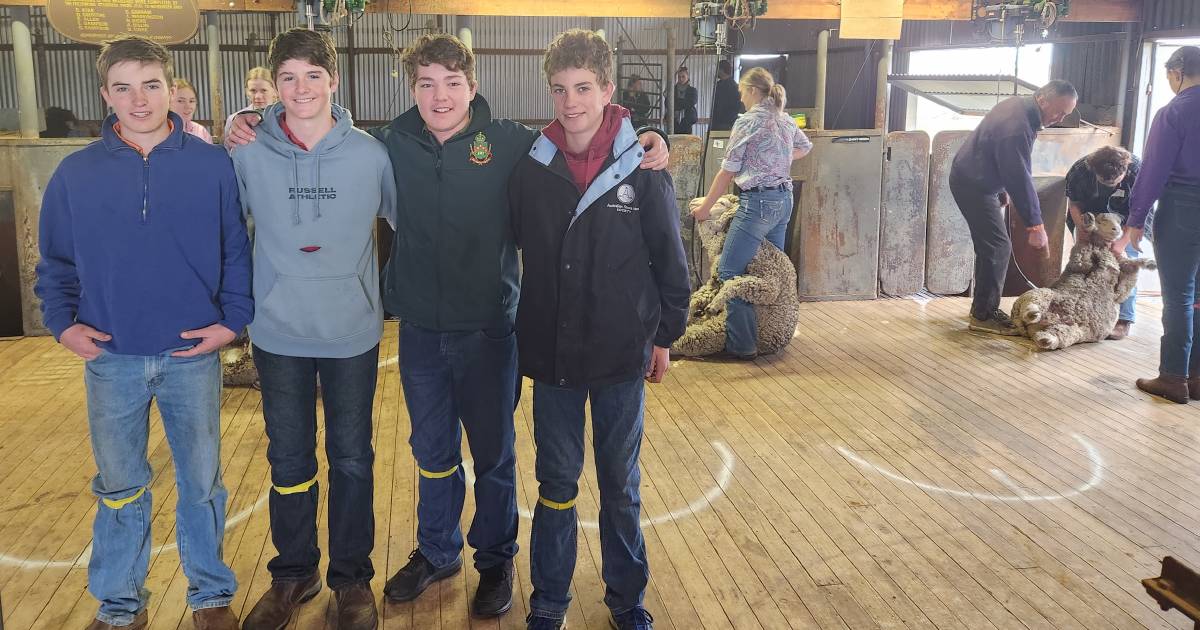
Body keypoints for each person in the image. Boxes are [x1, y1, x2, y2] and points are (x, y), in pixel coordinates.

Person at [225, 32, 669, 618]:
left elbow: (582, 142)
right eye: (427, 84)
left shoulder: (513, 144)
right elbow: (320, 133)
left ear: (472, 87)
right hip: (421, 330)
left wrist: (642, 139)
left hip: (490, 328)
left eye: (452, 83)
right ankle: (438, 550)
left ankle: (494, 560)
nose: (440, 97)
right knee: (431, 450)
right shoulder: (391, 144)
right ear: (412, 91)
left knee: (493, 456)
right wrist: (246, 117)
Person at [34, 35, 251, 630]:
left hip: (190, 354)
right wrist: (62, 326)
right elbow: (54, 261)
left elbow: (236, 249)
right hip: (112, 357)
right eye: (123, 87)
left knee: (202, 481)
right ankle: (121, 603)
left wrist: (231, 322)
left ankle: (209, 596)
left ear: (170, 88)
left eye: (150, 85)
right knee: (121, 484)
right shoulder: (76, 173)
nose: (139, 99)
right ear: (105, 95)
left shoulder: (211, 165)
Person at [509, 29, 690, 630]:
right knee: (556, 482)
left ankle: (625, 597)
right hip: (554, 358)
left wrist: (664, 335)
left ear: (607, 89)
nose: (571, 102)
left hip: (620, 356)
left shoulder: (644, 165)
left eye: (583, 87)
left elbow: (671, 258)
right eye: (560, 89)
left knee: (620, 483)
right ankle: (550, 599)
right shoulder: (532, 165)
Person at [229, 29, 395, 630]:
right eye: (288, 78)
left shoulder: (372, 156)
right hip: (277, 332)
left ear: (334, 81)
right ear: (274, 85)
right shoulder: (246, 154)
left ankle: (352, 582)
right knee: (289, 459)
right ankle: (293, 573)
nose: (301, 89)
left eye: (312, 76)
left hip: (351, 332)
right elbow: (225, 232)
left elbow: (416, 222)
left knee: (352, 458)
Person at [690, 67, 812, 359]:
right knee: (769, 272)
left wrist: (706, 206)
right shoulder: (783, 118)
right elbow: (805, 147)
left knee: (730, 271)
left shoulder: (747, 122)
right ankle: (769, 335)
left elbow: (727, 171)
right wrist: (776, 160)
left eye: (743, 92)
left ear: (753, 91)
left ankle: (742, 343)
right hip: (783, 199)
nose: (741, 98)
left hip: (757, 203)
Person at [949, 79, 1078, 335]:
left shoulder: (1019, 107)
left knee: (991, 246)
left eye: (1066, 115)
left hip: (977, 178)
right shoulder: (1016, 126)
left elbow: (1005, 162)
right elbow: (1019, 174)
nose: (1059, 118)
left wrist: (1002, 189)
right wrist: (1036, 225)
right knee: (997, 246)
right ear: (1043, 100)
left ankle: (983, 308)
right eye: (1059, 111)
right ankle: (984, 314)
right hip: (974, 184)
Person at [1113, 46, 1200, 404]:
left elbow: (1153, 170)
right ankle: (1197, 377)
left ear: (1177, 72)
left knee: (1179, 295)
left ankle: (1173, 377)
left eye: (1168, 76)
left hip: (1183, 207)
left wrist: (1135, 220)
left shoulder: (1174, 112)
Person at [1064, 145, 1142, 339]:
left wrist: (1123, 241)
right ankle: (1088, 312)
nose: (1112, 185)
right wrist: (1082, 230)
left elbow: (1140, 210)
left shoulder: (1139, 171)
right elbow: (1074, 203)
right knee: (1088, 263)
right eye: (1104, 181)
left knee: (1127, 264)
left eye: (1116, 182)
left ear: (1125, 169)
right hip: (1092, 216)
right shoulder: (1079, 171)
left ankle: (1124, 318)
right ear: (1093, 170)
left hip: (1126, 218)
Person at [223, 66, 277, 134]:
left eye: (264, 90)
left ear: (275, 91)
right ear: (247, 92)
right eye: (253, 91)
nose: (258, 96)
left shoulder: (285, 118)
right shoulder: (233, 119)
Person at [171, 78, 213, 143]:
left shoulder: (201, 132)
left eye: (191, 101)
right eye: (180, 101)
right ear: (167, 102)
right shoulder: (159, 132)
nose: (188, 106)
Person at [710, 59, 744, 132]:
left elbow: (736, 106)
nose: (716, 72)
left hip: (725, 124)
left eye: (718, 69)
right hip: (721, 123)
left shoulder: (732, 87)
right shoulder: (731, 85)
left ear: (721, 70)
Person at [673, 66, 698, 134]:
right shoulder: (672, 90)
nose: (681, 79)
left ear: (687, 77)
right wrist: (684, 103)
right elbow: (667, 103)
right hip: (674, 121)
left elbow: (692, 102)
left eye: (683, 76)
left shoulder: (692, 90)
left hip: (687, 120)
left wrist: (677, 103)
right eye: (679, 77)